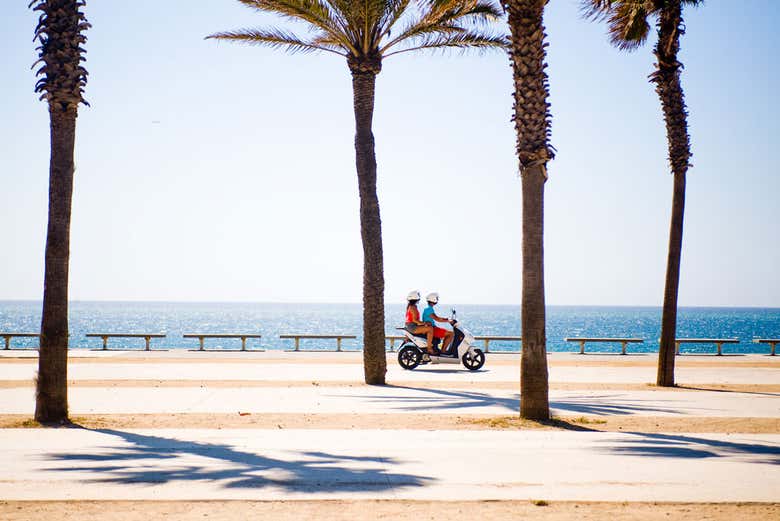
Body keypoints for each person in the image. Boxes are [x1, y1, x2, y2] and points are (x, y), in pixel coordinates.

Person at [404, 290, 435, 356]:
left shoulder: (411, 306)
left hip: (411, 325)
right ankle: (429, 348)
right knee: (430, 329)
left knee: (427, 328)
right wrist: (424, 323)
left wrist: (423, 323)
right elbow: (415, 320)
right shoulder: (413, 307)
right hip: (412, 326)